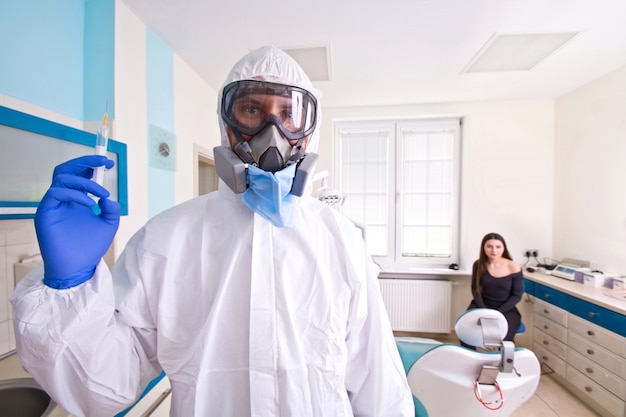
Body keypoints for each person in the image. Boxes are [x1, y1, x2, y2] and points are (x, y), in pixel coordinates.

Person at [10, 46, 413, 417]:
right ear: (227, 123)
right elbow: (103, 388)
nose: (271, 130)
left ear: (308, 131)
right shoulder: (166, 240)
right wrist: (68, 287)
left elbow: (378, 386)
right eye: (252, 110)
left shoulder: (340, 240)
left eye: (288, 114)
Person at [461, 232, 524, 349]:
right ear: (483, 248)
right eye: (489, 246)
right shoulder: (478, 264)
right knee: (465, 331)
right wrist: (484, 310)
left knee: (505, 338)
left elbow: (517, 295)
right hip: (481, 305)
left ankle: (502, 363)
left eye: (498, 247)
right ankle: (471, 360)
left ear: (503, 248)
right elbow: (475, 290)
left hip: (506, 308)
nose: (494, 250)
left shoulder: (513, 266)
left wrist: (497, 313)